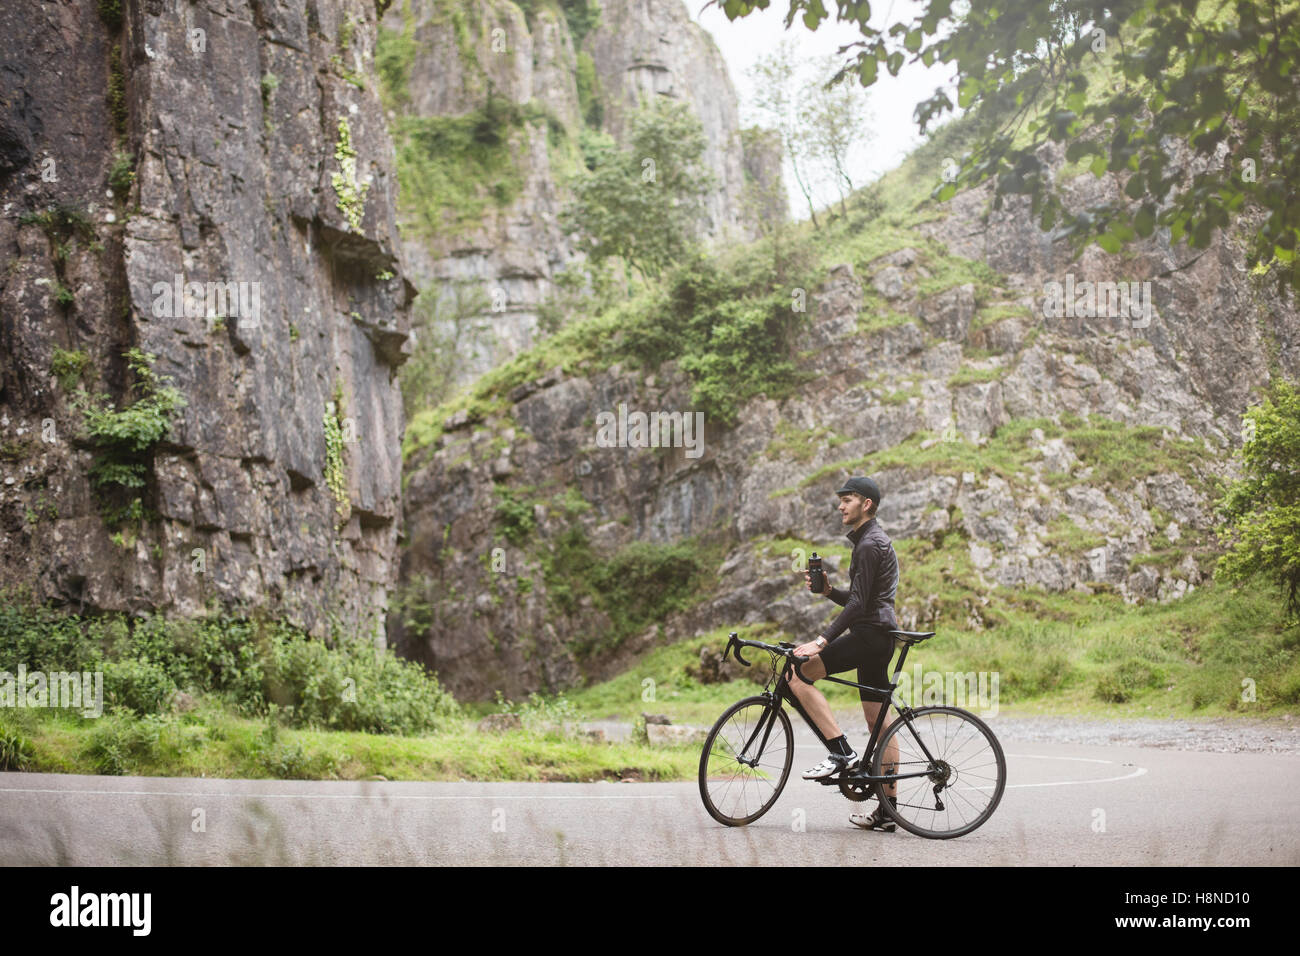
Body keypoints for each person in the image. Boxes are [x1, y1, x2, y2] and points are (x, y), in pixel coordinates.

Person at [788, 475, 902, 831]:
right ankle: (889, 809)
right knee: (877, 722)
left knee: (798, 673)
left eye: (847, 499)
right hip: (878, 635)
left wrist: (822, 641)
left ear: (866, 504)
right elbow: (860, 598)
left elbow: (858, 606)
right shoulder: (870, 540)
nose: (840, 505)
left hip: (869, 635)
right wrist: (829, 591)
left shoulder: (870, 544)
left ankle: (841, 751)